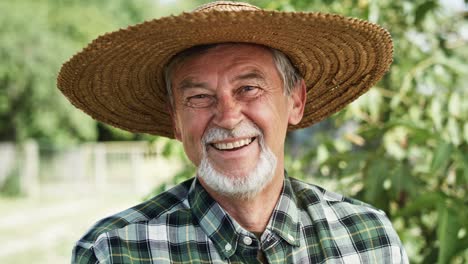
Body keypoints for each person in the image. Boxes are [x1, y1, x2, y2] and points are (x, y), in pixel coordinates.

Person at [58, 1, 408, 263]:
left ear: (296, 101)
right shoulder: (115, 251)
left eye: (249, 89)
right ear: (176, 120)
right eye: (198, 97)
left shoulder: (367, 238)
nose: (226, 117)